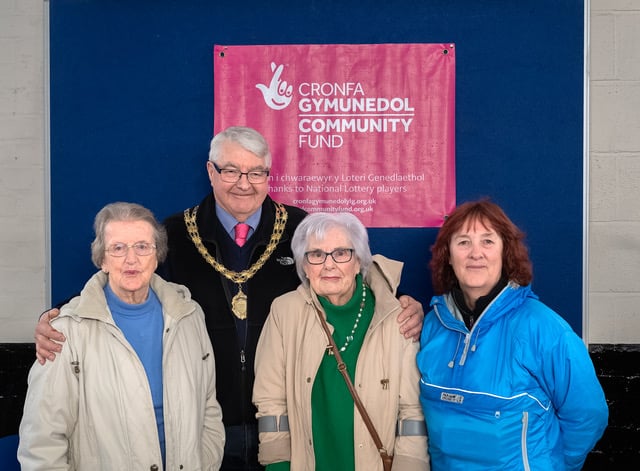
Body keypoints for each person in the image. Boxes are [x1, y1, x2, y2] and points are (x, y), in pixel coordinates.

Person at [33, 126, 425, 471]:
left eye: (256, 172)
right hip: (206, 427)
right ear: (210, 171)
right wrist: (61, 315)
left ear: (269, 175)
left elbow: (345, 264)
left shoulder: (300, 227)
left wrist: (401, 300)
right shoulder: (174, 233)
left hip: (288, 422)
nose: (244, 183)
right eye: (231, 170)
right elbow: (124, 275)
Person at [18, 202, 225, 470]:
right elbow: (42, 440)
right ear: (102, 259)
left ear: (157, 254)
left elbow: (208, 406)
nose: (131, 259)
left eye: (141, 246)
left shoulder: (189, 315)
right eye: (118, 248)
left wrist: (205, 463)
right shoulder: (66, 331)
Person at [416, 199, 608, 470]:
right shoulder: (432, 325)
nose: (475, 253)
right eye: (463, 242)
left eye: (487, 241)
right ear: (448, 255)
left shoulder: (545, 329)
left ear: (505, 251)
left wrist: (555, 464)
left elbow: (589, 414)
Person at [253, 212, 430, 471]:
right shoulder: (284, 312)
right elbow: (271, 403)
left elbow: (412, 413)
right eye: (316, 255)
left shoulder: (396, 317)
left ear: (359, 261)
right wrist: (277, 465)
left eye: (341, 253)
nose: (328, 265)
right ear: (304, 265)